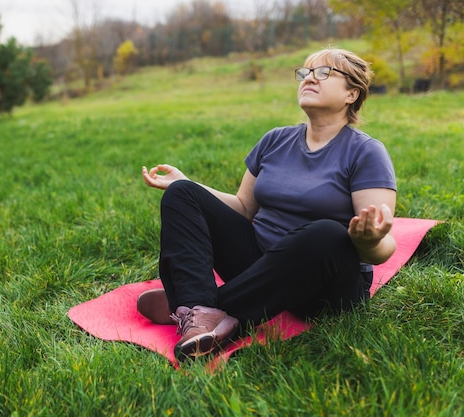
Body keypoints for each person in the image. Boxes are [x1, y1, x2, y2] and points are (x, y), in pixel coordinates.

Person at [137, 48, 397, 362]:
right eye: (305, 72)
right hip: (260, 263)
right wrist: (188, 183)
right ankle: (200, 310)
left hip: (326, 286)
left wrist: (369, 241)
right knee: (182, 193)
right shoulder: (275, 140)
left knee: (327, 233)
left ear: (351, 93)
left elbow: (383, 246)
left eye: (324, 72)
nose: (309, 78)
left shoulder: (366, 152)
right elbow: (245, 207)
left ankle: (196, 304)